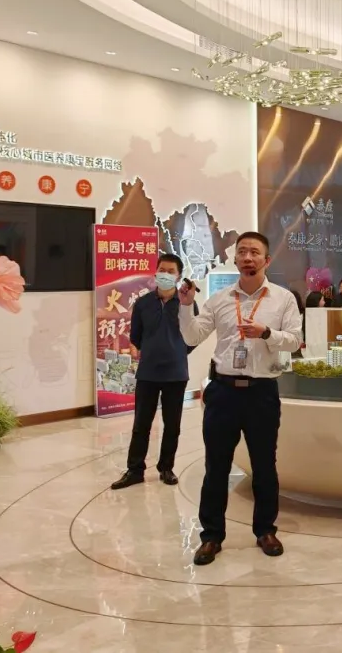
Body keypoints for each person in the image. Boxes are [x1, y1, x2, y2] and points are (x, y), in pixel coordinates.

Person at [178, 232, 303, 566]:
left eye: (255, 252)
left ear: (266, 260)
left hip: (262, 393)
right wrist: (186, 305)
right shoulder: (219, 299)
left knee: (264, 466)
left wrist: (266, 333)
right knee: (215, 467)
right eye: (243, 252)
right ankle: (211, 536)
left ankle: (265, 530)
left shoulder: (283, 299)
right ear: (235, 259)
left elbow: (294, 341)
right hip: (223, 392)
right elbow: (192, 335)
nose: (248, 257)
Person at [111, 254, 196, 490]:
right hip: (148, 372)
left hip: (176, 373)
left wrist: (177, 351)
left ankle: (166, 467)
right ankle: (135, 470)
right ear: (155, 272)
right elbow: (136, 336)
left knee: (172, 425)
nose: (165, 274)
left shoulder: (186, 303)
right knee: (141, 424)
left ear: (179, 276)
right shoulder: (143, 303)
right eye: (162, 270)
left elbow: (193, 335)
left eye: (171, 271)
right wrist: (152, 350)